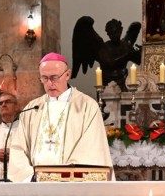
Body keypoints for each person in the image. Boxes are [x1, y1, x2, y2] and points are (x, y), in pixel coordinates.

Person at [8, 52, 113, 182]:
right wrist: (30, 177)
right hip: (35, 183)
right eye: (44, 78)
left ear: (67, 75)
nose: (50, 83)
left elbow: (92, 148)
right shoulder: (32, 108)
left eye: (54, 77)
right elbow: (18, 148)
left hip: (70, 185)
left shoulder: (87, 106)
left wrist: (65, 176)